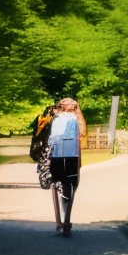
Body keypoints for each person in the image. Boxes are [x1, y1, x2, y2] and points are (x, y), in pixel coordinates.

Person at [48, 97, 86, 235]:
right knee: (70, 187)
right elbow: (83, 134)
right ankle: (66, 220)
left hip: (55, 156)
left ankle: (60, 221)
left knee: (56, 185)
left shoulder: (54, 117)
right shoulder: (77, 118)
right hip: (72, 157)